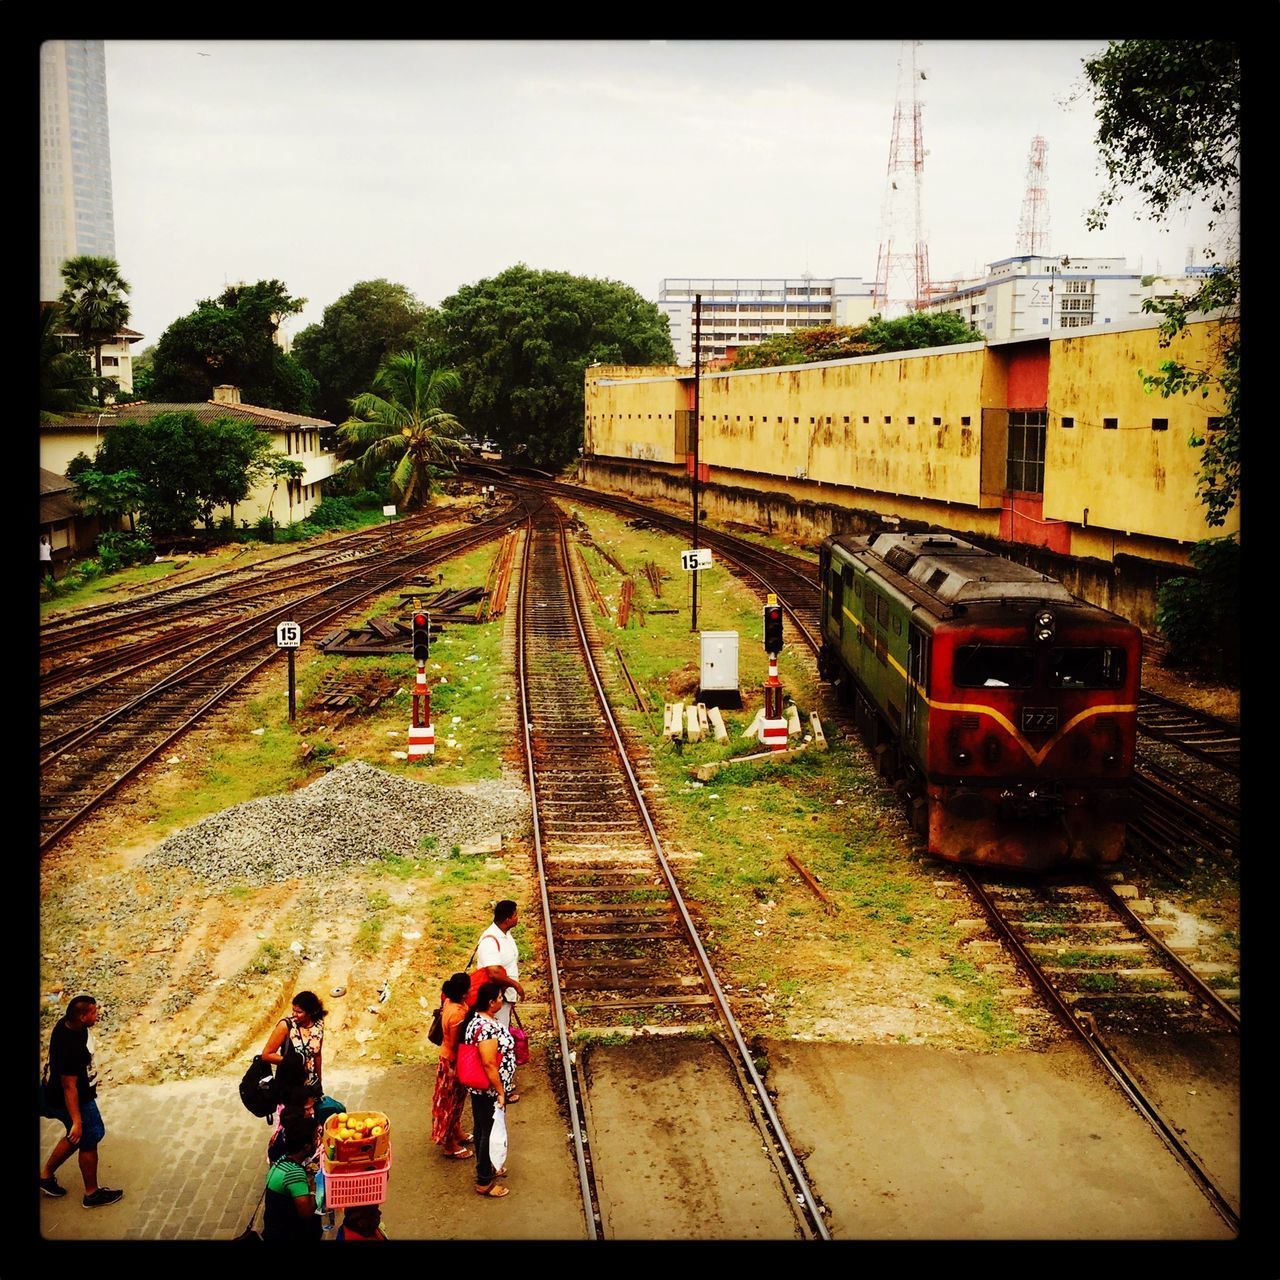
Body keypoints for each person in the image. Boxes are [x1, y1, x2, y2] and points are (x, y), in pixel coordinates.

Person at [39, 994, 124, 1208]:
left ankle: (45, 1176)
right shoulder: (71, 1049)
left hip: (55, 1091)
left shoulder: (67, 1025)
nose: (98, 1015)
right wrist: (77, 1120)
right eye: (94, 1012)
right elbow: (69, 1088)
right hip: (73, 1098)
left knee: (76, 1136)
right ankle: (91, 1194)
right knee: (89, 1136)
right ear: (83, 1016)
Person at [460, 979, 515, 1198]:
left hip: (481, 1089)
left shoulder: (477, 1019)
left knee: (483, 1127)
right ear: (491, 1002)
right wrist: (501, 1091)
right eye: (500, 998)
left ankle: (490, 1165)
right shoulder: (486, 1029)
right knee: (488, 1133)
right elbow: (489, 1063)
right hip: (489, 1090)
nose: (502, 1001)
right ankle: (484, 1180)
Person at [260, 991, 345, 1124]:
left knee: (309, 1120)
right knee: (292, 1122)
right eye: (293, 1010)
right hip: (290, 1084)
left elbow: (317, 1054)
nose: (294, 1014)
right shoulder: (285, 1026)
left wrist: (319, 1080)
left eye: (299, 1012)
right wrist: (288, 1061)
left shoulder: (318, 1025)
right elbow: (266, 1054)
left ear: (310, 1012)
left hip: (309, 1085)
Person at [474, 900, 525, 1101]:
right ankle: (499, 1087)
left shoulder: (505, 935)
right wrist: (515, 985)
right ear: (507, 919)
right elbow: (493, 972)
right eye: (515, 915)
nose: (517, 918)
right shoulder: (490, 940)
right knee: (498, 1042)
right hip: (496, 1000)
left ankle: (500, 1082)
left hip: (503, 998)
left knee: (502, 1036)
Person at [430, 972, 474, 1159]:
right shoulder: (457, 1015)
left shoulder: (451, 1002)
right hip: (453, 1062)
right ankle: (449, 1143)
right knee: (449, 1102)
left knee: (456, 1101)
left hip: (449, 1059)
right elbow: (457, 1043)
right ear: (464, 993)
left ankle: (456, 1131)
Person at [262, 1118, 323, 1241]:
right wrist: (316, 1192)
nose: (318, 1141)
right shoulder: (294, 1173)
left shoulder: (282, 1160)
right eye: (315, 1139)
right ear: (306, 1146)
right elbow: (306, 1213)